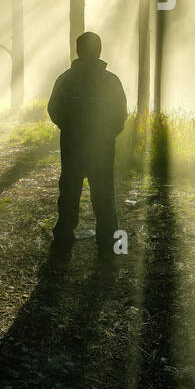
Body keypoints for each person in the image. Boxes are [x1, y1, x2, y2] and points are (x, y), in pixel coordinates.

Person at [47, 31, 127, 255]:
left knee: (69, 191)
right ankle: (109, 242)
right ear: (99, 51)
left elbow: (53, 110)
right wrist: (108, 133)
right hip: (102, 147)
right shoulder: (111, 81)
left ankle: (63, 238)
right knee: (103, 192)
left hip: (72, 145)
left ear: (77, 51)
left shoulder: (66, 79)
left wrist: (70, 128)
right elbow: (121, 114)